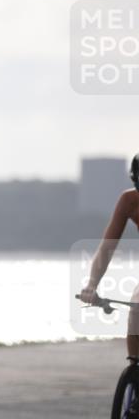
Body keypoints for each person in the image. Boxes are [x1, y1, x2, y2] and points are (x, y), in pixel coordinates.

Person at [80, 153, 139, 357]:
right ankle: (135, 373)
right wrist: (92, 284)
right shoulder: (129, 201)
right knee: (136, 314)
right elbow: (107, 248)